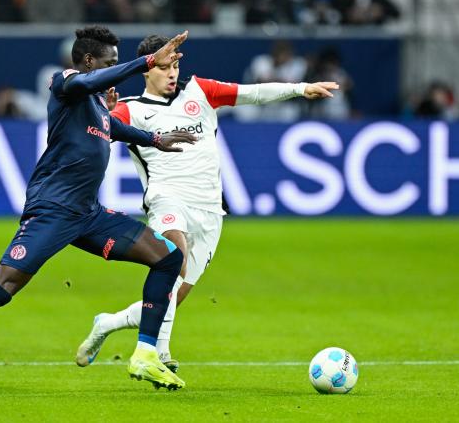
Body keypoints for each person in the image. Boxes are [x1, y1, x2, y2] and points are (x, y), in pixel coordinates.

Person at [0, 26, 196, 392]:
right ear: (90, 62)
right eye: (109, 63)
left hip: (88, 214)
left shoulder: (96, 105)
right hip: (53, 210)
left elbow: (114, 128)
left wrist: (156, 139)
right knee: (2, 289)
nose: (114, 70)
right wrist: (146, 61)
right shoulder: (65, 83)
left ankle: (145, 354)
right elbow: (84, 85)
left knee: (168, 257)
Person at [75, 34, 338, 372]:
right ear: (147, 70)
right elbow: (98, 129)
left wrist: (301, 89)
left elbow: (251, 93)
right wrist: (104, 114)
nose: (173, 73)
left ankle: (109, 323)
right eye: (166, 67)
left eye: (176, 65)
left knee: (173, 296)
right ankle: (158, 353)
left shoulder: (199, 91)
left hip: (211, 210)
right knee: (174, 259)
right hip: (167, 199)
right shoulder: (132, 109)